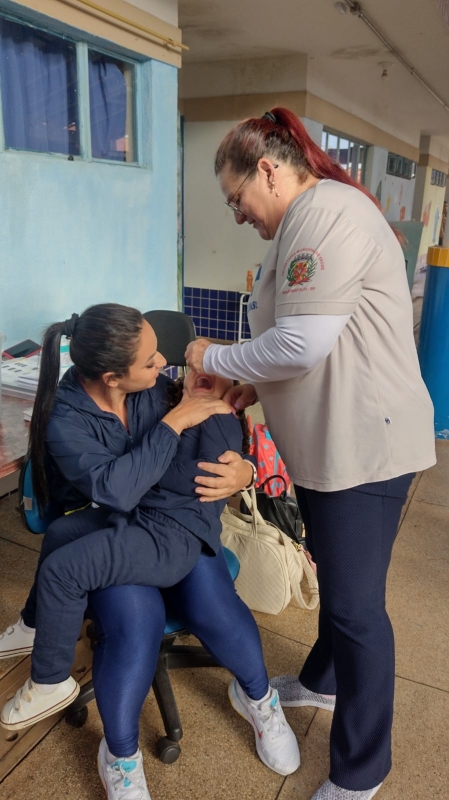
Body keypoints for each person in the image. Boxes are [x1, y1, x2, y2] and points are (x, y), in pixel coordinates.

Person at [185, 108, 436, 800]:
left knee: (356, 610)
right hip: (332, 447)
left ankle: (362, 772)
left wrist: (210, 354)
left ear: (269, 169)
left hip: (365, 449)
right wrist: (245, 383)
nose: (239, 215)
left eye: (239, 200)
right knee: (340, 585)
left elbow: (301, 345)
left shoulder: (326, 216)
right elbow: (302, 347)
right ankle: (322, 683)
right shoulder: (304, 223)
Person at [0, 303, 299, 798]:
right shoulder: (67, 418)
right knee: (133, 623)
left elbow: (230, 438)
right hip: (119, 527)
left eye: (160, 353)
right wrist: (178, 421)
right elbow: (118, 492)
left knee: (214, 606)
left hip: (175, 525)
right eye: (150, 361)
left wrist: (244, 469)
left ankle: (260, 700)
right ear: (114, 377)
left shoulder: (163, 386)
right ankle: (120, 756)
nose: (164, 363)